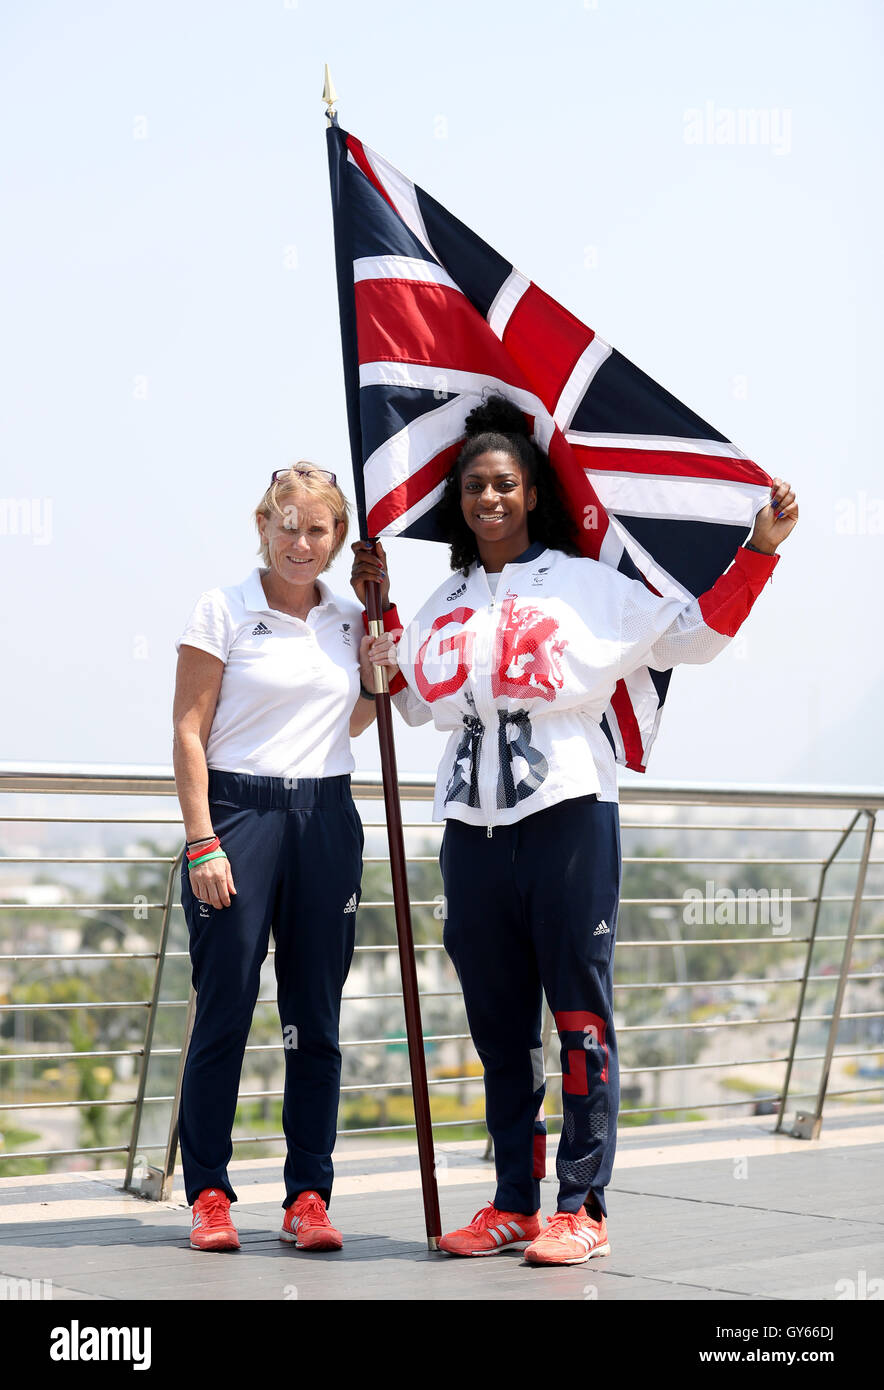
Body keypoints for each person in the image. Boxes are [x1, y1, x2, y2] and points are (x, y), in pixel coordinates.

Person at [352, 395, 797, 1267]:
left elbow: (695, 637)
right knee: (498, 1028)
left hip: (566, 818)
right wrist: (383, 617)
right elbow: (407, 702)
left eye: (505, 484)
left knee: (580, 1017)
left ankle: (582, 1205)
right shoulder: (445, 598)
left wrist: (759, 552)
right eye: (475, 485)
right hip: (469, 831)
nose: (488, 498)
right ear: (460, 498)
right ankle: (513, 1203)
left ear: (532, 494)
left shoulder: (588, 585)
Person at [172, 463, 382, 1253]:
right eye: (287, 525)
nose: (301, 542)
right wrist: (203, 840)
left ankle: (308, 1196)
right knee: (224, 1006)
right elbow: (189, 730)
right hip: (237, 815)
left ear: (337, 538)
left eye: (318, 529)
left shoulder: (353, 615)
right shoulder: (222, 609)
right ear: (262, 524)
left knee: (316, 1019)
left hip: (326, 816)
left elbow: (355, 721)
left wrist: (376, 665)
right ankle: (211, 1194)